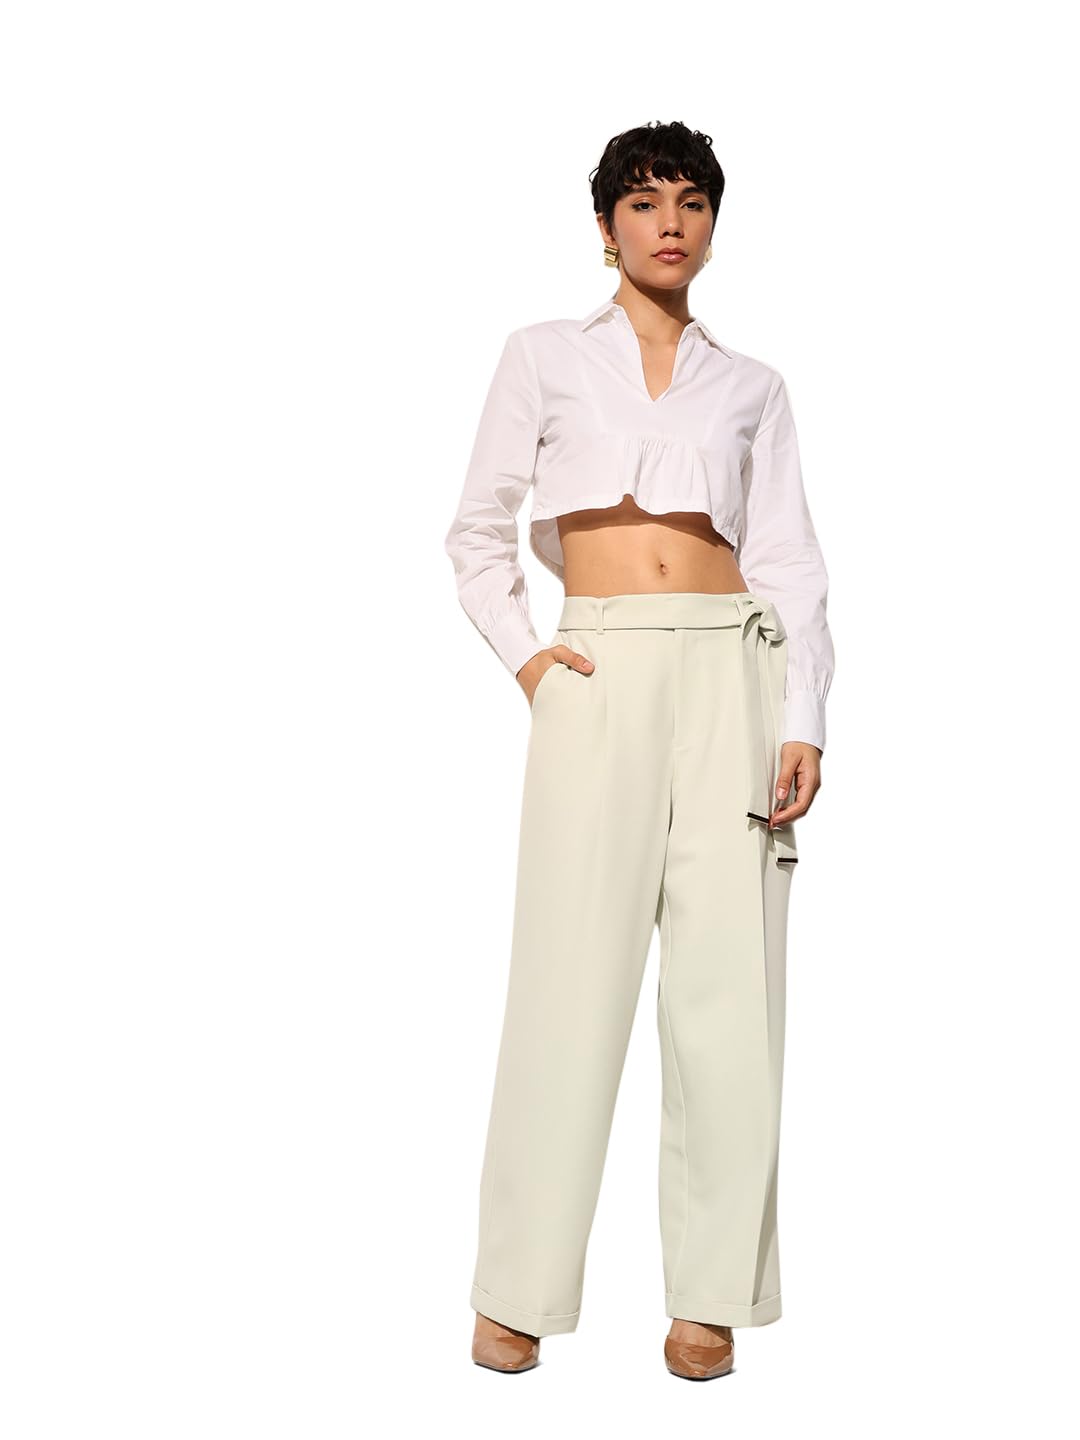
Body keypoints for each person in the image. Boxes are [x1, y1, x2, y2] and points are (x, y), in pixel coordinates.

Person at [443, 120, 835, 1380]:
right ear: (606, 227)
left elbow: (790, 561)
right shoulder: (543, 355)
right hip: (598, 670)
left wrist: (802, 715)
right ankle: (518, 1287)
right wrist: (529, 659)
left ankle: (709, 1296)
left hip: (732, 671)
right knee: (567, 978)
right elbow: (476, 531)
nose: (671, 222)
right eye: (646, 201)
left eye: (693, 202)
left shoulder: (753, 386)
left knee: (730, 993)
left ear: (713, 226)